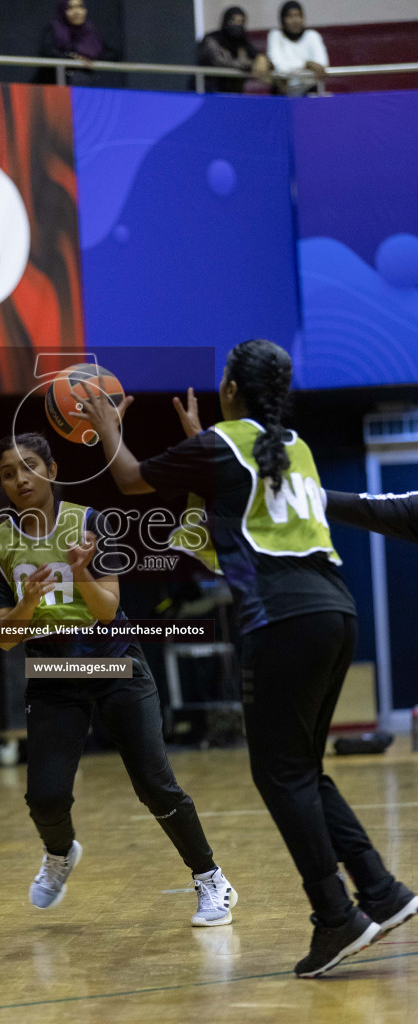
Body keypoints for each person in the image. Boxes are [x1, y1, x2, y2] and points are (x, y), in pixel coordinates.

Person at [76, 340, 418, 977]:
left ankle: (336, 916)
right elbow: (235, 500)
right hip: (337, 613)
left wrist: (109, 430)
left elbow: (128, 479)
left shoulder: (220, 444)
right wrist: (202, 447)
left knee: (280, 775)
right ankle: (381, 890)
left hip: (282, 620)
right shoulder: (295, 448)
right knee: (303, 771)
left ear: (230, 388)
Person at [0, 432, 237, 925]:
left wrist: (79, 573)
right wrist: (29, 601)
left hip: (115, 664)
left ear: (52, 471)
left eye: (29, 467)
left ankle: (211, 879)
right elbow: (6, 639)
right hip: (55, 674)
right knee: (45, 796)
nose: (20, 479)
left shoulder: (90, 523)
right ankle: (59, 854)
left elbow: (108, 609)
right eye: (9, 473)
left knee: (155, 785)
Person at [36, 0, 119, 86]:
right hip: (54, 85)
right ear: (62, 10)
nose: (77, 12)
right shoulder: (54, 28)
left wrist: (90, 59)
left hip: (86, 85)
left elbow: (113, 54)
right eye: (70, 8)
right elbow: (47, 52)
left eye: (80, 7)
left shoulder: (91, 31)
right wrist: (71, 58)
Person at [198, 7, 271, 93]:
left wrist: (262, 58)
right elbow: (220, 61)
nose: (237, 25)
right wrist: (250, 65)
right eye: (232, 21)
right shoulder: (211, 39)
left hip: (235, 94)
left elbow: (255, 55)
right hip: (210, 92)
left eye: (240, 22)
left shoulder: (242, 42)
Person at [267, 2, 328, 95]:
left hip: (309, 94)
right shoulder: (275, 36)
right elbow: (279, 67)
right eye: (290, 16)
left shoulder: (312, 36)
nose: (295, 20)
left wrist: (292, 73)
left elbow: (321, 65)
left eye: (298, 15)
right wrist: (307, 65)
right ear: (282, 19)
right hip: (282, 95)